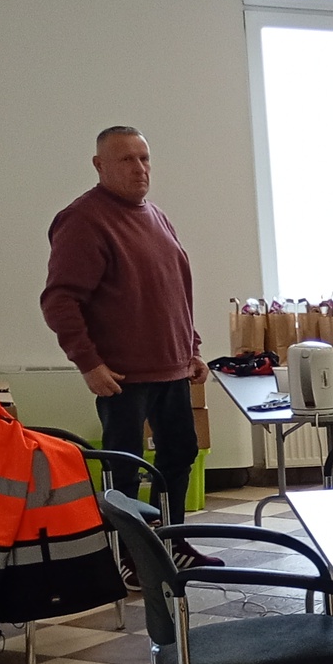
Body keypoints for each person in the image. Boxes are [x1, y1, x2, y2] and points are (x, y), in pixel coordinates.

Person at [40, 125, 219, 569]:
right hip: (121, 376)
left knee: (180, 456)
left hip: (172, 367)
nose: (140, 168)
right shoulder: (83, 220)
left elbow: (173, 290)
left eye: (144, 158)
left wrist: (192, 347)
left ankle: (171, 544)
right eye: (126, 159)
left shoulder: (155, 215)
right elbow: (59, 300)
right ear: (99, 165)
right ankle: (129, 558)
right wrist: (88, 363)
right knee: (124, 470)